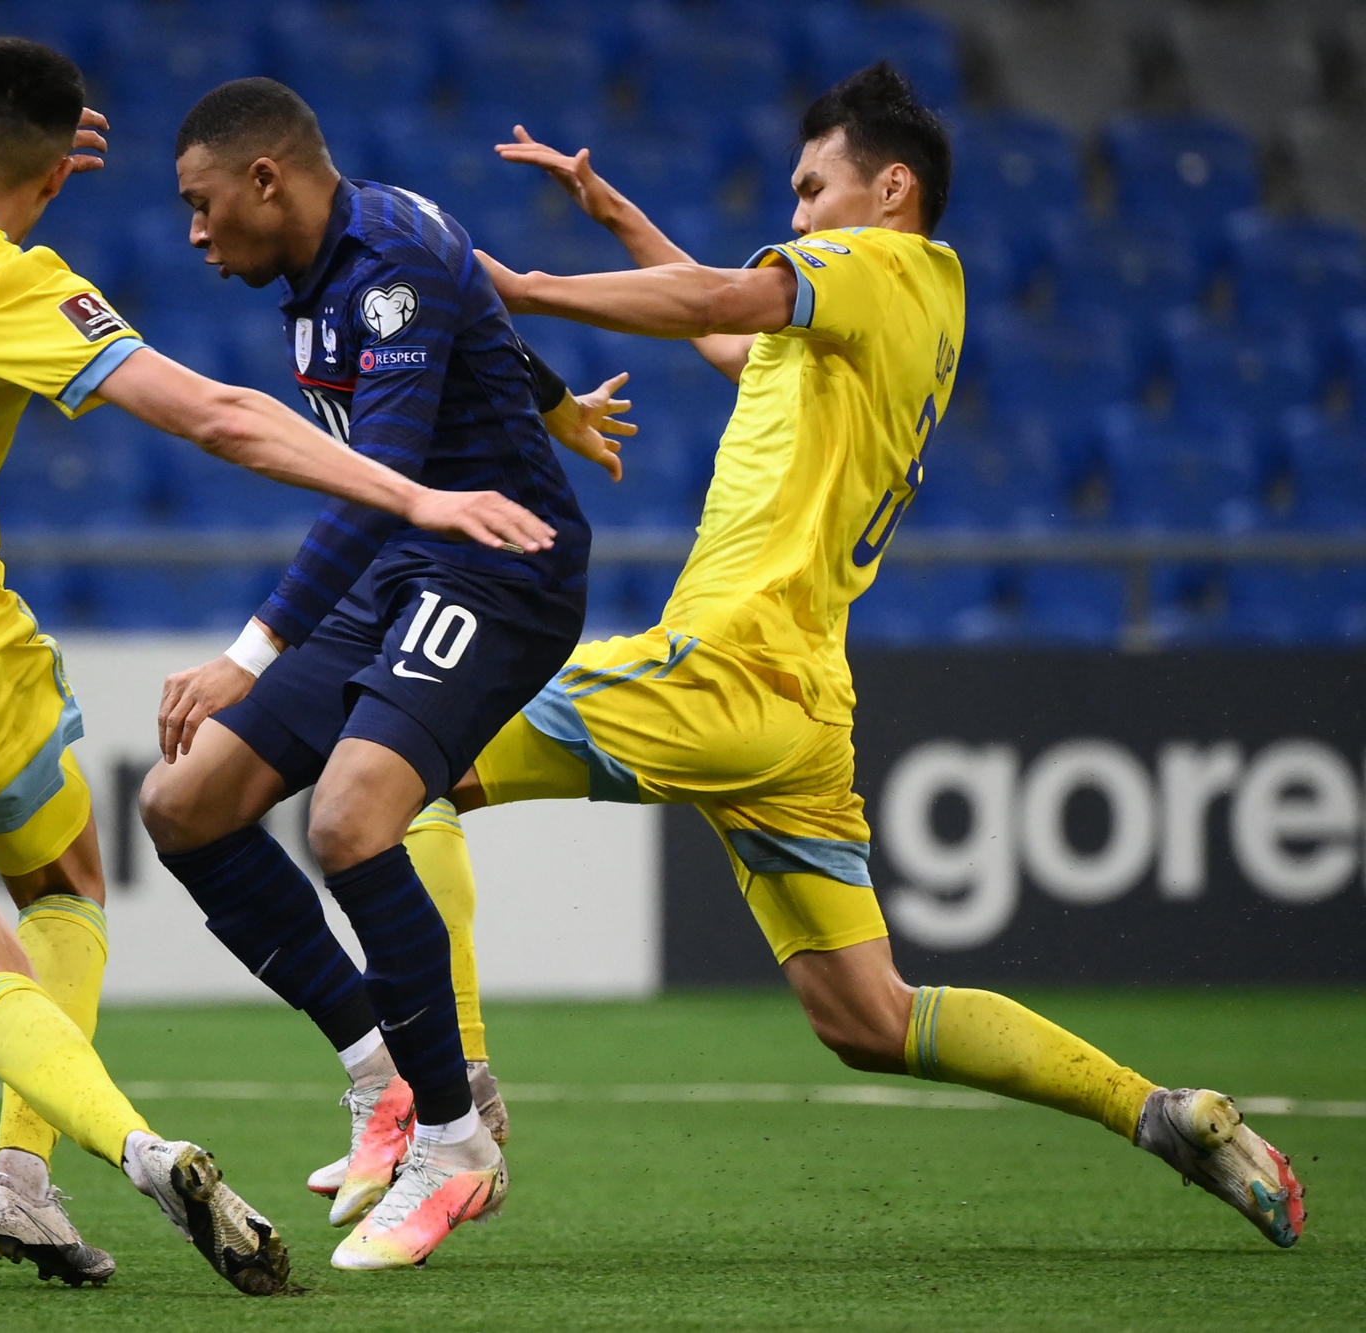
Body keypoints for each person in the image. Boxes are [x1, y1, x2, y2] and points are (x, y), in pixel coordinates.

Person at [365, 62, 1307, 1250]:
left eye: (813, 190)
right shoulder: (894, 311)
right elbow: (729, 325)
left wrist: (516, 286)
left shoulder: (871, 265)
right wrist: (617, 218)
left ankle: (459, 1114)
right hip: (801, 703)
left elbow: (724, 293)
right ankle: (1156, 1112)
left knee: (400, 769)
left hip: (720, 665)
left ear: (890, 188)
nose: (796, 215)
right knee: (867, 1015)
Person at [0, 38, 558, 1298]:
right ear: (59, 178)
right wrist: (411, 495)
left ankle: (162, 1143)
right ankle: (34, 1173)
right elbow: (217, 414)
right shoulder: (20, 282)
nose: (187, 230)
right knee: (85, 875)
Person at [136, 77, 629, 1271]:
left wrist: (247, 654)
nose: (193, 233)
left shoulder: (387, 267)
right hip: (408, 562)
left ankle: (455, 1145)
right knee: (182, 804)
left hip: (499, 569)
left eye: (202, 205)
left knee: (349, 820)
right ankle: (382, 1079)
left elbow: (383, 479)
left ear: (267, 178)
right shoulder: (346, 251)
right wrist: (555, 406)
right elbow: (487, 323)